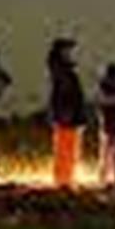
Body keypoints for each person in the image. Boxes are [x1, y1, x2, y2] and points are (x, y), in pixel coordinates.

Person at [47, 38, 86, 188]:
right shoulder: (62, 72)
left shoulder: (63, 71)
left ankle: (66, 178)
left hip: (68, 116)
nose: (70, 53)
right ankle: (64, 180)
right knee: (65, 149)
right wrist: (67, 113)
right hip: (67, 117)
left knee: (68, 148)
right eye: (67, 50)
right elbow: (65, 94)